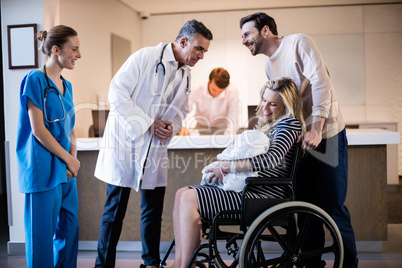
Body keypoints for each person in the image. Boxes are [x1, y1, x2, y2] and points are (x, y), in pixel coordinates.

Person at [240, 12, 358, 268]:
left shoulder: (298, 43)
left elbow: (321, 84)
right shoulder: (269, 66)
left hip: (327, 135)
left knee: (333, 206)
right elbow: (282, 106)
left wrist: (316, 129)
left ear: (266, 30)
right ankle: (311, 263)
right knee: (304, 208)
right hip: (299, 140)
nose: (243, 40)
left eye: (247, 34)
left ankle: (349, 263)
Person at [93, 20, 213, 268]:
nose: (201, 56)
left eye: (204, 52)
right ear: (183, 42)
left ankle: (151, 263)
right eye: (199, 49)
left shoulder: (185, 73)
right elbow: (117, 92)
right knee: (114, 212)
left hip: (155, 147)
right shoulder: (145, 57)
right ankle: (102, 265)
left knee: (152, 211)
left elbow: (182, 110)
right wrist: (148, 123)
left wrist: (172, 126)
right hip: (127, 143)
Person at [170, 78, 304, 268]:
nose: (265, 107)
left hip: (262, 194)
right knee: (181, 194)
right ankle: (179, 263)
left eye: (273, 104)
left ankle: (185, 265)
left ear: (287, 106)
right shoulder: (267, 124)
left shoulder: (288, 124)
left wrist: (226, 167)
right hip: (250, 190)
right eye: (264, 100)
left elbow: (270, 160)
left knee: (189, 198)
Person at [16, 25, 82, 268]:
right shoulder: (35, 79)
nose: (79, 54)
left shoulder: (67, 85)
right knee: (41, 237)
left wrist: (72, 161)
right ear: (56, 49)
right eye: (74, 49)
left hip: (66, 170)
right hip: (42, 169)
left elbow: (71, 127)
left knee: (69, 230)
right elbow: (38, 130)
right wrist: (69, 159)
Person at [182, 67, 239, 135]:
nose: (216, 94)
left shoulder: (232, 91)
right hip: (201, 127)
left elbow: (233, 118)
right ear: (209, 81)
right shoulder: (196, 88)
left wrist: (229, 138)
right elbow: (185, 110)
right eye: (214, 90)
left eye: (220, 92)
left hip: (222, 128)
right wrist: (183, 126)